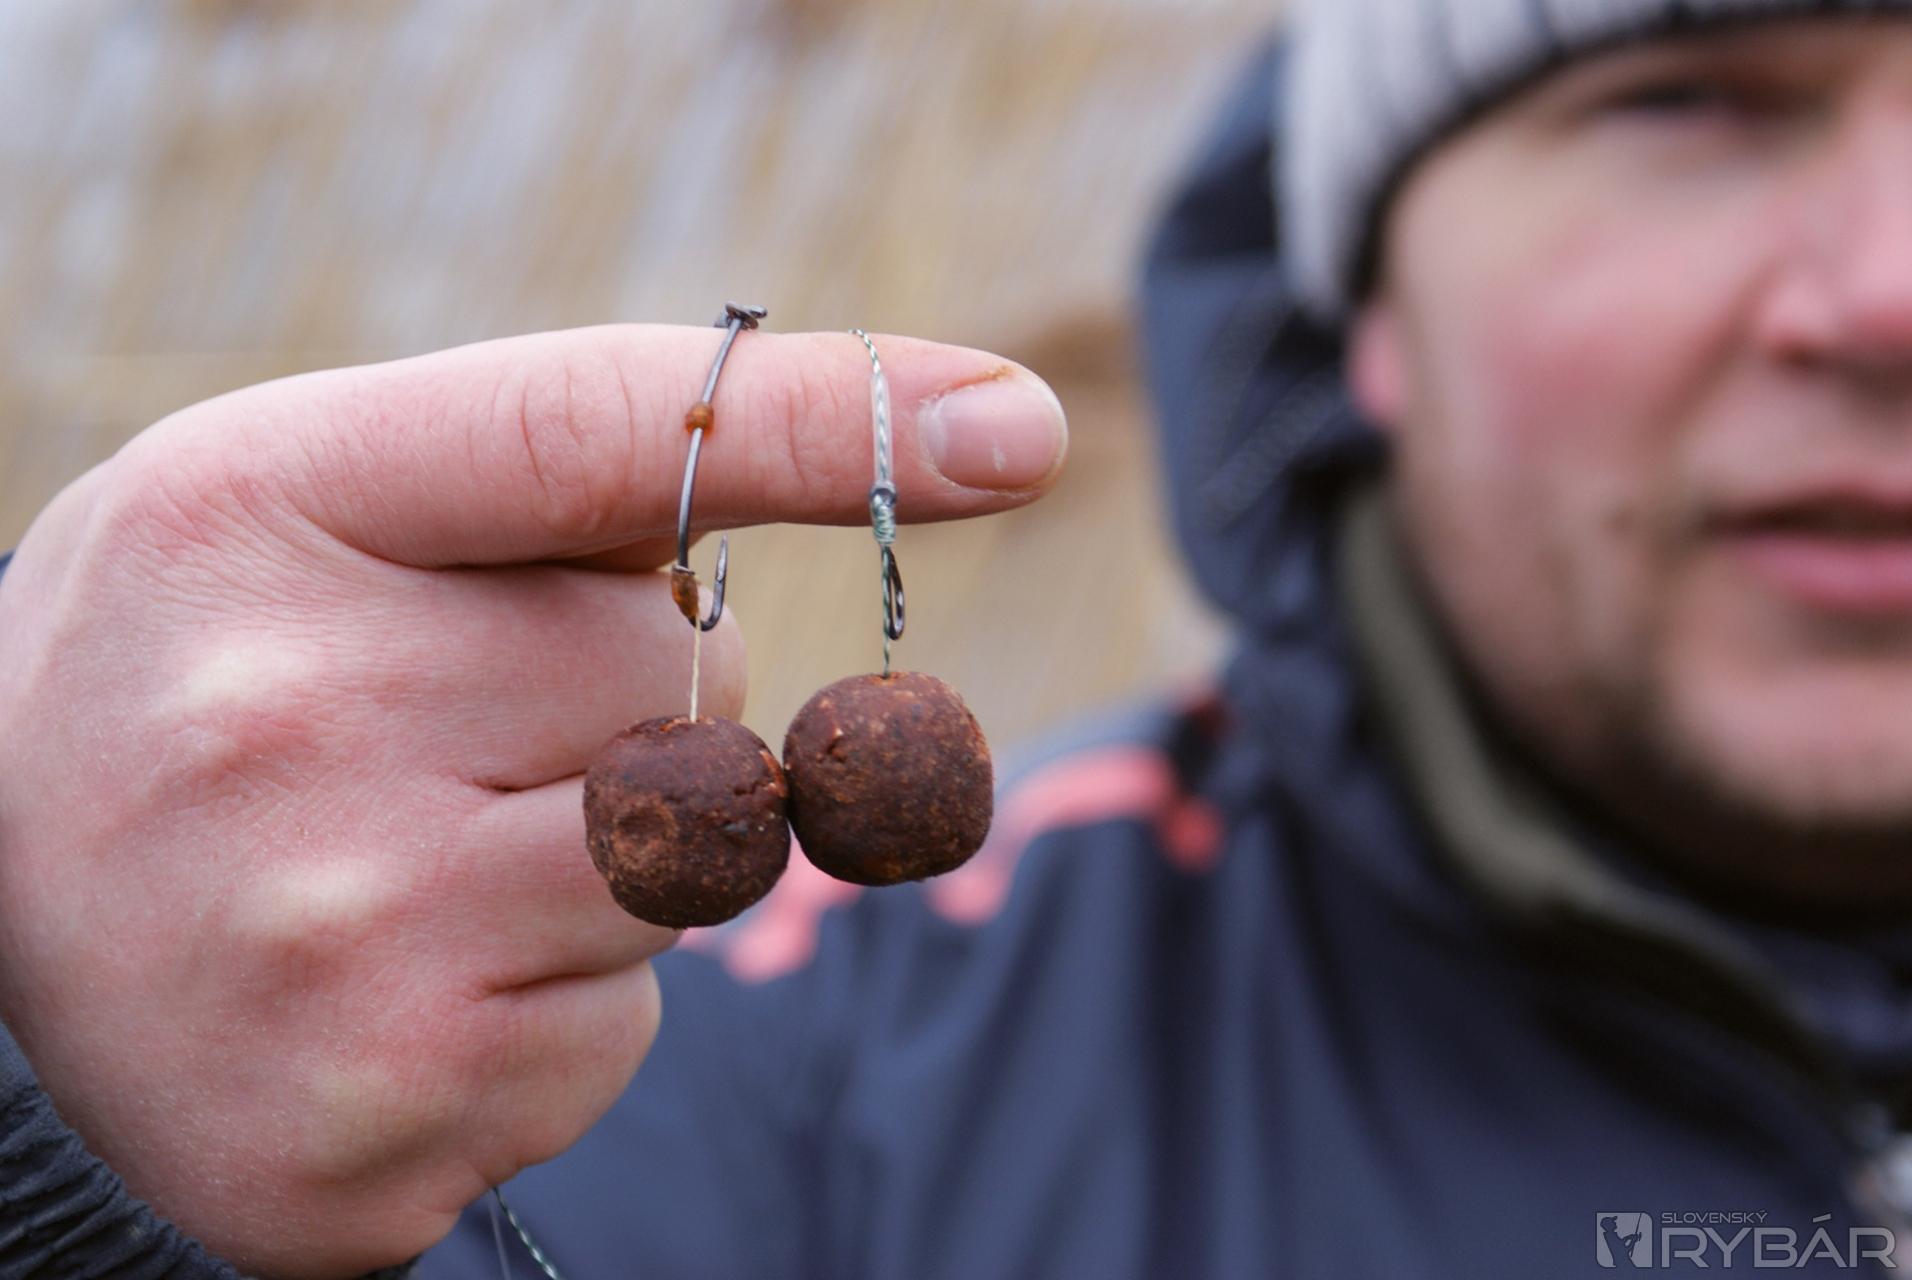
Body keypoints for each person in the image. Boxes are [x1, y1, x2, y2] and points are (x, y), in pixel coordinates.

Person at [5, 0, 1912, 1276]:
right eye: (1694, 102)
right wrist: (59, 1132)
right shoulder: (770, 1090)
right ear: (1377, 306)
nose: (1889, 292)